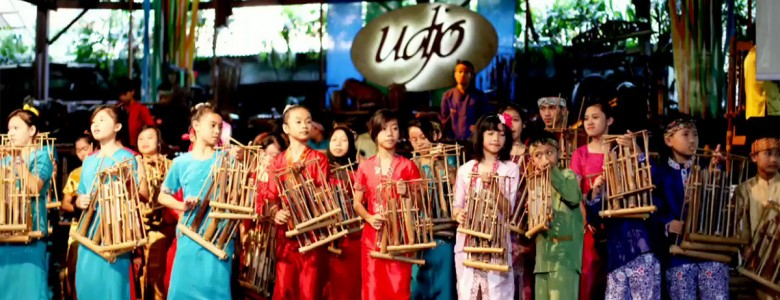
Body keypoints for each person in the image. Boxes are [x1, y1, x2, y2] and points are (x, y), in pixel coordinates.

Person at [573, 102, 660, 299]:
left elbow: (651, 179)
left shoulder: (622, 153)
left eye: (595, 117)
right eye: (586, 118)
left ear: (610, 120)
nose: (589, 122)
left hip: (629, 231)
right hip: (593, 225)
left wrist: (636, 150)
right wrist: (587, 217)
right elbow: (577, 194)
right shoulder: (580, 154)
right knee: (590, 280)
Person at [157, 103, 232, 299]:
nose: (217, 131)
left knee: (217, 289)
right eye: (212, 125)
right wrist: (182, 206)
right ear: (196, 126)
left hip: (219, 234)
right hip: (190, 231)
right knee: (183, 289)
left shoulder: (227, 160)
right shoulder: (181, 162)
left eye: (220, 127)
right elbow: (163, 195)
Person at [75, 105, 149, 299]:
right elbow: (80, 194)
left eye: (102, 120)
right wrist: (80, 201)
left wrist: (127, 182)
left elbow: (144, 194)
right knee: (87, 288)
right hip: (88, 233)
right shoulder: (89, 161)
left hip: (116, 234)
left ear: (117, 127)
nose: (95, 124)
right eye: (93, 121)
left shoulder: (130, 158)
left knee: (113, 290)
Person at [652, 117, 729, 299]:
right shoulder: (660, 174)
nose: (692, 140)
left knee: (716, 277)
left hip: (708, 249)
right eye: (685, 134)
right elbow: (653, 206)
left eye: (695, 134)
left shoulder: (707, 168)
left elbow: (719, 206)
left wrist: (715, 175)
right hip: (678, 251)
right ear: (668, 140)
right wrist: (667, 223)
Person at [353, 109, 422, 300]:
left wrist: (406, 193)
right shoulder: (365, 166)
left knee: (398, 289)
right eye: (384, 129)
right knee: (372, 290)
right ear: (375, 133)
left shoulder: (408, 166)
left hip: (400, 238)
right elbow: (357, 203)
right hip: (371, 239)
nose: (390, 134)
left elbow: (420, 205)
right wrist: (369, 217)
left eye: (395, 128)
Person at [265, 105, 330, 300]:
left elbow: (324, 194)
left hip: (312, 236)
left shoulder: (318, 159)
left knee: (310, 290)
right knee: (285, 288)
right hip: (286, 236)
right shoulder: (278, 162)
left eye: (308, 122)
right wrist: (276, 212)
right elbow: (270, 196)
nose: (305, 126)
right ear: (286, 128)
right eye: (299, 122)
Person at [452, 114, 519, 299]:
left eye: (501, 134)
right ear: (480, 135)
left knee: (497, 294)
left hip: (496, 244)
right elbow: (456, 208)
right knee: (469, 294)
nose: (496, 139)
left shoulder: (510, 169)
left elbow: (508, 210)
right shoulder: (465, 169)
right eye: (490, 133)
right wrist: (459, 215)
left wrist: (494, 186)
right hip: (467, 243)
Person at [0, 108, 55, 300]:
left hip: (31, 231)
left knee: (30, 290)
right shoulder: (4, 159)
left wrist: (18, 162)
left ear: (32, 131)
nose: (10, 133)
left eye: (16, 127)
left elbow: (34, 188)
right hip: (5, 233)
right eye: (9, 129)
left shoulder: (41, 157)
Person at [528, 131, 583, 300]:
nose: (544, 159)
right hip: (543, 259)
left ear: (558, 154)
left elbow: (573, 197)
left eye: (549, 153)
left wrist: (551, 171)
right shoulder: (534, 183)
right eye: (538, 155)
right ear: (532, 160)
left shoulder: (567, 175)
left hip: (564, 259)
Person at [407, 118, 457, 300]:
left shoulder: (450, 157)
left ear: (435, 135)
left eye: (423, 137)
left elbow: (457, 185)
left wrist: (442, 162)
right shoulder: (411, 165)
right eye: (414, 139)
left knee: (444, 287)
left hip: (444, 232)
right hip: (420, 234)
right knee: (419, 286)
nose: (419, 142)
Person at [734, 136, 779, 300]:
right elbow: (733, 223)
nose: (774, 159)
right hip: (756, 259)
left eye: (777, 154)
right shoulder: (744, 189)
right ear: (754, 157)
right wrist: (742, 245)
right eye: (768, 154)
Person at [137, 126, 176, 300]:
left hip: (162, 228)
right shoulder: (133, 164)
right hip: (138, 228)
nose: (144, 142)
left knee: (157, 273)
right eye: (140, 138)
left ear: (159, 141)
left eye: (149, 138)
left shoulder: (171, 165)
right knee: (139, 273)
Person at [322, 126, 361, 300]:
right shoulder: (321, 169)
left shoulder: (358, 170)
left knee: (349, 285)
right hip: (326, 236)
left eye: (344, 140)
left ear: (351, 144)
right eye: (334, 139)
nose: (338, 144)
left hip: (352, 236)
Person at [61, 133, 96, 299]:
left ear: (93, 147)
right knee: (73, 268)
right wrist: (76, 205)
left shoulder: (102, 168)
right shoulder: (75, 173)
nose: (82, 153)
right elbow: (64, 203)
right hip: (79, 225)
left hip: (99, 226)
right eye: (78, 150)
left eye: (85, 148)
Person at [440, 60, 490, 141]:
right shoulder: (447, 96)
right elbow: (444, 120)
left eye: (466, 72)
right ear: (455, 75)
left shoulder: (479, 96)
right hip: (453, 141)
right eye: (460, 72)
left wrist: (478, 128)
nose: (462, 75)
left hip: (473, 140)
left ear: (471, 76)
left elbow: (485, 118)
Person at [116, 78, 155, 149]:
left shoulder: (141, 109)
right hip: (119, 147)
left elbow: (151, 126)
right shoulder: (117, 108)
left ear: (132, 92)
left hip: (137, 147)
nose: (122, 97)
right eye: (120, 95)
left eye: (124, 94)